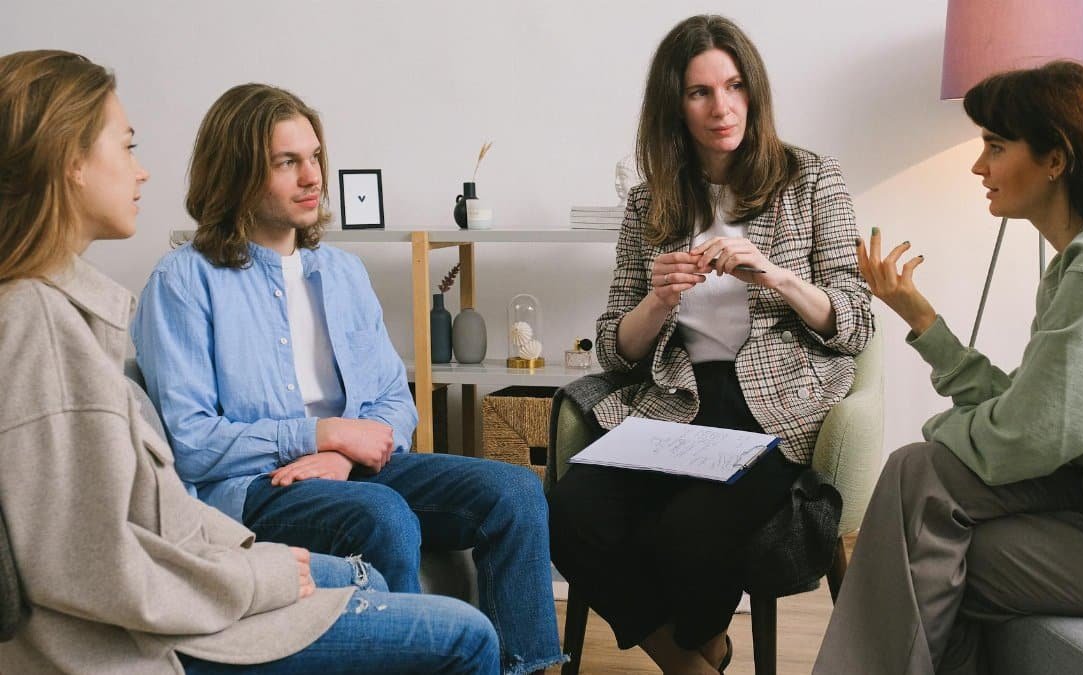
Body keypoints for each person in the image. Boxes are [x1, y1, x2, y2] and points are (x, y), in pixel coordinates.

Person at [0, 49, 499, 675]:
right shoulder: (44, 325)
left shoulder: (70, 313)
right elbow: (96, 563)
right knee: (458, 627)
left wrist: (326, 470)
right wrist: (256, 574)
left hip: (208, 560)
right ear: (70, 162)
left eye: (314, 156)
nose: (143, 171)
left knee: (476, 511)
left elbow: (145, 517)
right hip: (155, 629)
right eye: (126, 146)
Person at [129, 82, 563, 675]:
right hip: (252, 489)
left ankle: (524, 669)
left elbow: (391, 399)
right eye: (287, 162)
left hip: (351, 467)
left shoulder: (341, 271)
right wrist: (323, 436)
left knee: (514, 493)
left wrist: (343, 455)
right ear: (235, 173)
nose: (312, 178)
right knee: (379, 514)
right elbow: (191, 442)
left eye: (314, 159)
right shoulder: (184, 281)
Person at [814, 60, 1083, 674]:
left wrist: (938, 428)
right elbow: (1032, 413)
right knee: (932, 525)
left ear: (1056, 159)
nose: (978, 166)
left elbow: (1021, 440)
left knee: (925, 494)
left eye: (995, 146)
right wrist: (923, 321)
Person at [546, 15, 874, 675]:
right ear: (675, 105)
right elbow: (616, 348)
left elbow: (857, 323)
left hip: (777, 408)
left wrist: (774, 275)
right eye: (700, 92)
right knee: (567, 508)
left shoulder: (812, 179)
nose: (721, 107)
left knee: (687, 531)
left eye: (733, 86)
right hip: (678, 401)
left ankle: (698, 645)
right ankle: (693, 659)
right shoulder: (650, 205)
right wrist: (657, 299)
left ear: (753, 91)